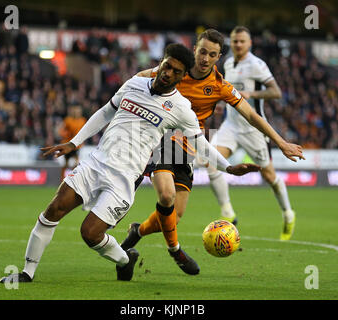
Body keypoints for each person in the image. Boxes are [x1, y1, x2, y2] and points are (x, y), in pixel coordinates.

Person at [0, 43, 260, 284]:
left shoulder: (181, 108)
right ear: (161, 63)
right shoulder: (135, 83)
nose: (168, 73)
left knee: (90, 233)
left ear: (182, 78)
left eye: (175, 71)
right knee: (53, 210)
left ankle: (126, 259)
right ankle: (27, 272)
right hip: (96, 163)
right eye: (166, 66)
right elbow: (106, 111)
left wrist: (228, 167)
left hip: (123, 179)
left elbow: (200, 143)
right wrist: (75, 142)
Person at [120, 29, 305, 273]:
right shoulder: (177, 69)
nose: (205, 58)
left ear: (218, 58)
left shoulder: (220, 85)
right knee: (166, 196)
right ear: (195, 49)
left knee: (173, 218)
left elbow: (251, 114)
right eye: (203, 51)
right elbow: (142, 77)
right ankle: (176, 251)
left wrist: (281, 142)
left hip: (189, 147)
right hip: (162, 139)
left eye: (212, 54)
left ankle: (138, 231)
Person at [208, 26, 296, 240]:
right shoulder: (228, 62)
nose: (238, 44)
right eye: (235, 41)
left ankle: (287, 213)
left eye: (242, 41)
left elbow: (276, 92)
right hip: (230, 125)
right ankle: (228, 212)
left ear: (249, 43)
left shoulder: (257, 65)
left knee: (269, 176)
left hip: (253, 128)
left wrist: (251, 93)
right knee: (211, 161)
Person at [58, 105, 87, 181]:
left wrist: (83, 141)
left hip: (76, 146)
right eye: (75, 111)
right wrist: (65, 135)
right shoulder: (68, 120)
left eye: (78, 111)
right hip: (68, 144)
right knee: (66, 163)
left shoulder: (82, 120)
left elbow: (84, 132)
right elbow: (62, 131)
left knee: (76, 163)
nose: (77, 113)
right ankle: (62, 179)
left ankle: (73, 178)